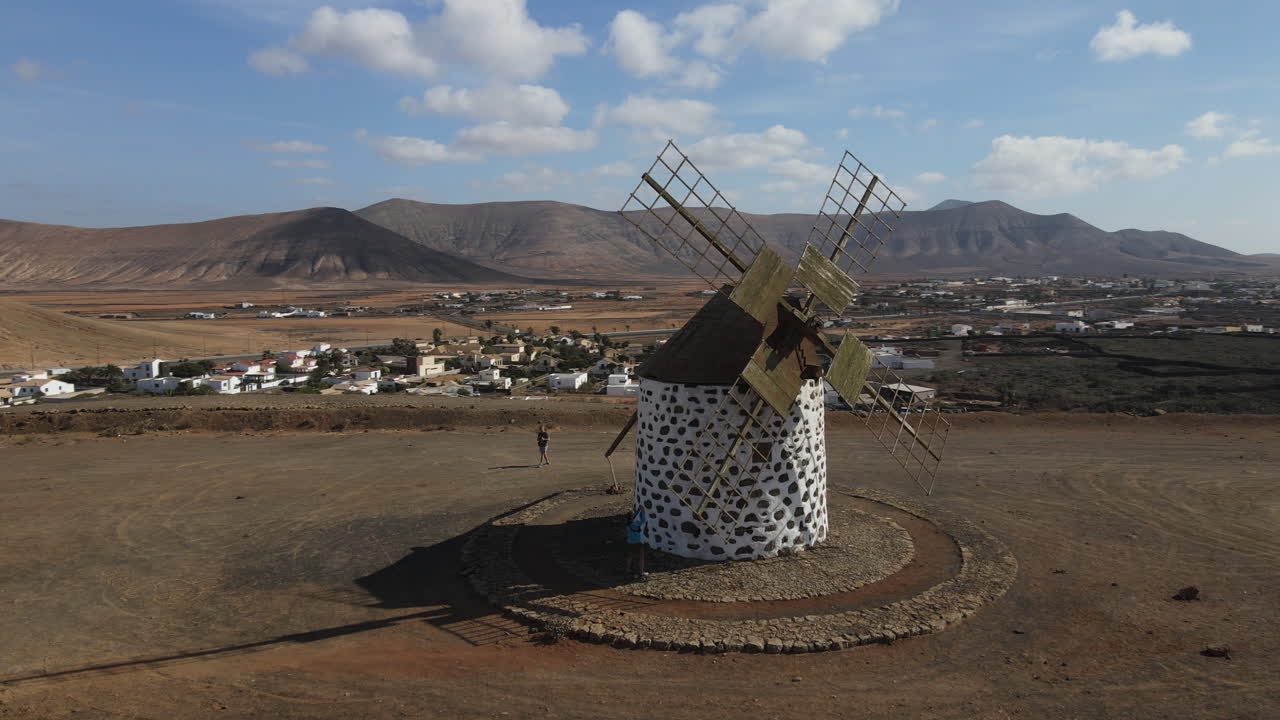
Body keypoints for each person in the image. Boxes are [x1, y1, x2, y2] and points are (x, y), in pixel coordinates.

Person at [624, 506, 647, 580]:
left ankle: (627, 570)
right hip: (637, 543)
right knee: (641, 558)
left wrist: (638, 510)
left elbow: (632, 517)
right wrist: (643, 511)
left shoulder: (627, 524)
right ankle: (641, 572)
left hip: (629, 542)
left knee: (630, 557)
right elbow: (643, 520)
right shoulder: (636, 524)